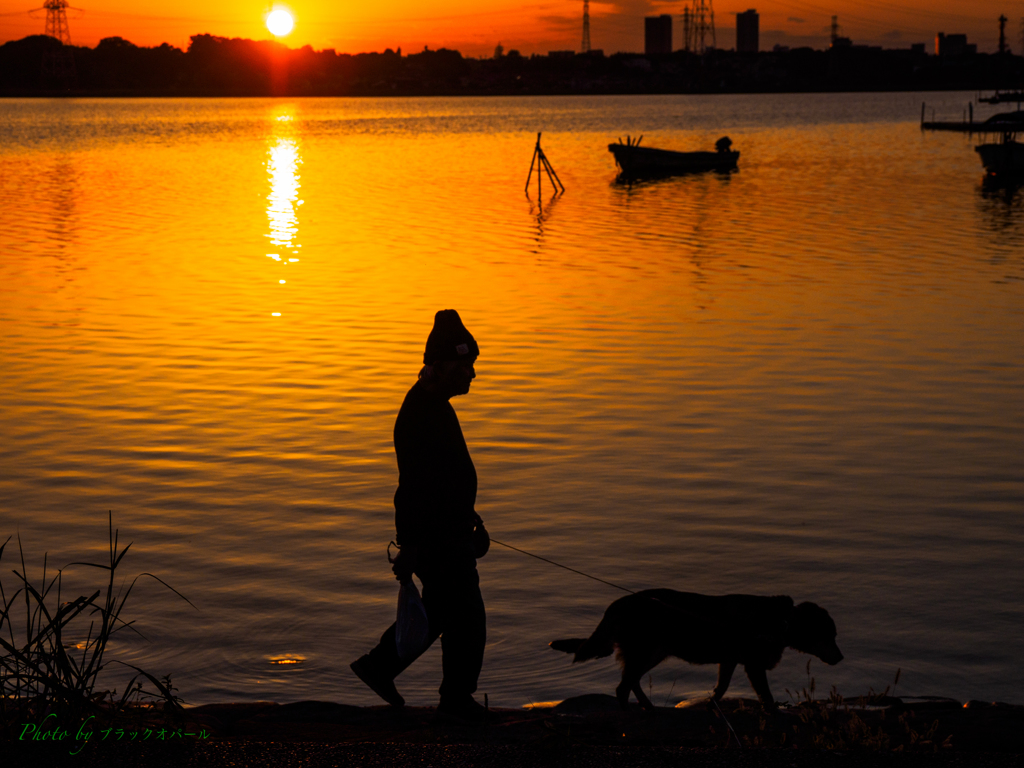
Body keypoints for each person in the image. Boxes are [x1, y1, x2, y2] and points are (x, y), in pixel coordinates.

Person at [350, 309, 490, 721]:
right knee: (465, 618)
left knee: (445, 614)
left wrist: (472, 518)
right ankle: (454, 700)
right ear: (441, 366)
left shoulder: (434, 404)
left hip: (449, 532)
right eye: (466, 367)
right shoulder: (419, 414)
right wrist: (410, 545)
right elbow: (410, 488)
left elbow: (446, 478)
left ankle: (384, 667)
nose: (472, 376)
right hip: (436, 539)